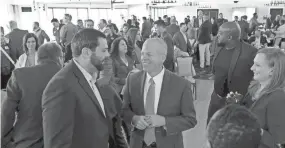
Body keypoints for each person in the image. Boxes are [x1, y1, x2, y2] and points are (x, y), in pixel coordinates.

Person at [42, 29, 127, 148]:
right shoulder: (61, 86)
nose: (108, 55)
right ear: (86, 52)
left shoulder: (91, 78)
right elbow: (57, 144)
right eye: (104, 50)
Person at [121, 38, 197, 148]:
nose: (143, 58)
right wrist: (134, 119)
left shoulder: (181, 85)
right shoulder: (132, 80)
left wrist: (164, 121)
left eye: (149, 54)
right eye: (142, 54)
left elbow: (190, 120)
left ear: (162, 58)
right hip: (138, 143)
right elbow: (124, 110)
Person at [1, 42, 63, 148]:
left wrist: (4, 141)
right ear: (60, 58)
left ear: (37, 59)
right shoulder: (70, 77)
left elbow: (6, 113)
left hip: (26, 141)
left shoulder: (20, 75)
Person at [207, 22, 257, 124]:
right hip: (217, 98)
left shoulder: (250, 52)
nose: (217, 35)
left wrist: (245, 96)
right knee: (212, 127)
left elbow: (258, 77)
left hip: (236, 102)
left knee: (231, 133)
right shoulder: (218, 46)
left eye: (220, 33)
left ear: (229, 37)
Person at [241, 48, 285, 148]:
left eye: (257, 65)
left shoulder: (278, 98)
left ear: (272, 71)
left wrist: (255, 129)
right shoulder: (256, 85)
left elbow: (278, 143)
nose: (252, 68)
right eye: (253, 63)